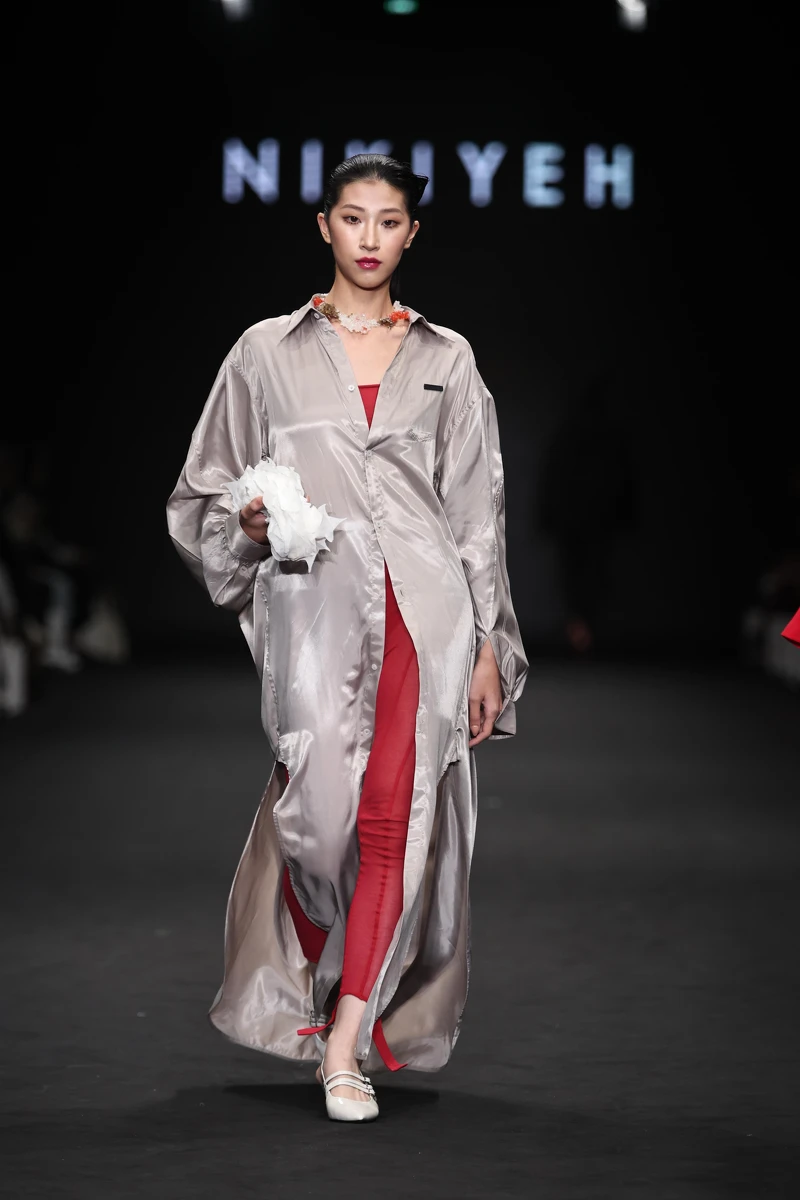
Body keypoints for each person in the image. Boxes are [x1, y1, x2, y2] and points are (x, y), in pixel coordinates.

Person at [166, 153, 528, 1122]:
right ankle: (312, 969)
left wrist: (487, 646)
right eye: (354, 217)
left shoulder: (447, 359)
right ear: (323, 225)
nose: (370, 237)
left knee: (392, 822)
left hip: (425, 617)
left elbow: (475, 517)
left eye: (389, 221)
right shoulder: (265, 352)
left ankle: (344, 1043)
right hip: (314, 615)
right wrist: (245, 521)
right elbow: (203, 490)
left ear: (412, 234)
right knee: (318, 820)